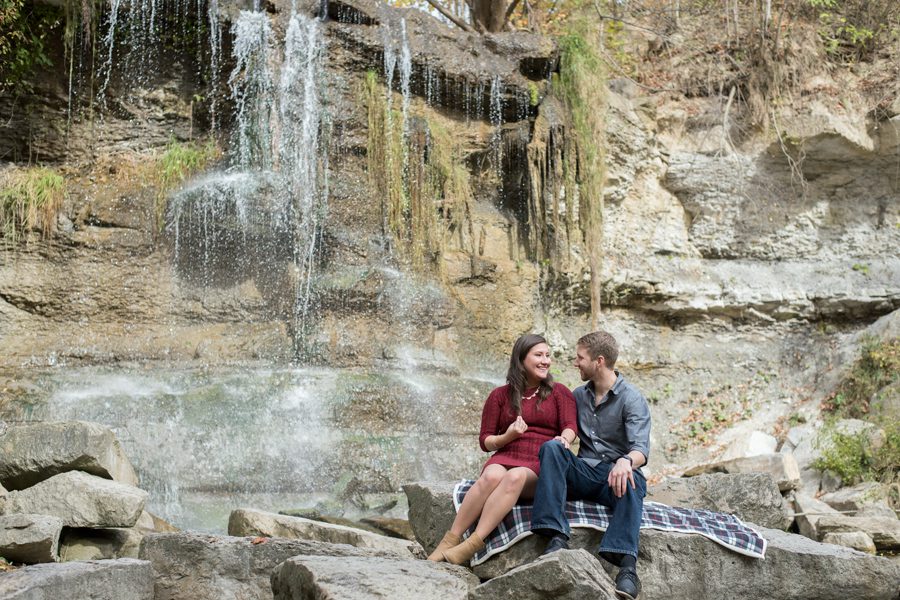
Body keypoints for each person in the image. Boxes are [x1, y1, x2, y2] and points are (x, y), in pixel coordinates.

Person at [428, 333, 578, 565]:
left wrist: (564, 439)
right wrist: (508, 436)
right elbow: (485, 440)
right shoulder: (499, 396)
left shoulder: (560, 392)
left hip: (541, 461)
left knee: (514, 476)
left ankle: (472, 544)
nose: (545, 361)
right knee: (491, 476)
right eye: (538, 355)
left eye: (548, 355)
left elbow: (570, 426)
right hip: (507, 453)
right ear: (521, 359)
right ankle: (450, 540)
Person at [530, 331, 651, 600]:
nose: (575, 363)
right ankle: (556, 536)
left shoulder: (631, 398)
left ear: (599, 361)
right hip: (584, 472)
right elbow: (564, 429)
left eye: (580, 358)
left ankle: (627, 567)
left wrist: (625, 461)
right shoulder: (577, 396)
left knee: (633, 478)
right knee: (552, 448)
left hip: (615, 477)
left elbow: (641, 449)